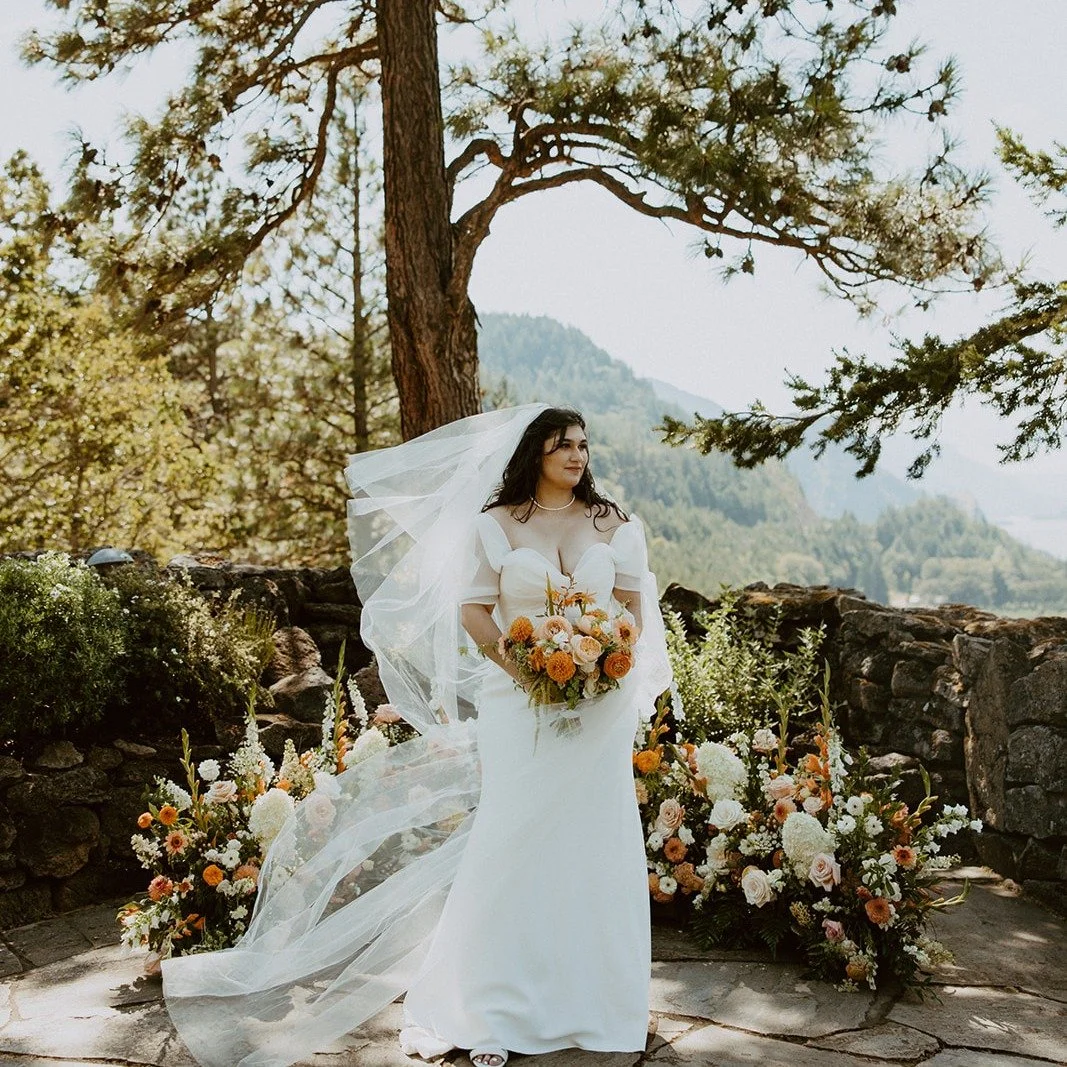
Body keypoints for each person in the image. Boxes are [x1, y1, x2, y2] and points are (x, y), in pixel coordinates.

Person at [161, 404, 671, 1067]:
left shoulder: (611, 521)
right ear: (533, 455)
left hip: (599, 705)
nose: (576, 455)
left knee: (594, 841)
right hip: (519, 701)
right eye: (560, 445)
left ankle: (601, 1000)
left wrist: (608, 664)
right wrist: (525, 669)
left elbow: (631, 612)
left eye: (581, 444)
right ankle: (495, 1007)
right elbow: (474, 612)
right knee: (511, 841)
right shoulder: (496, 523)